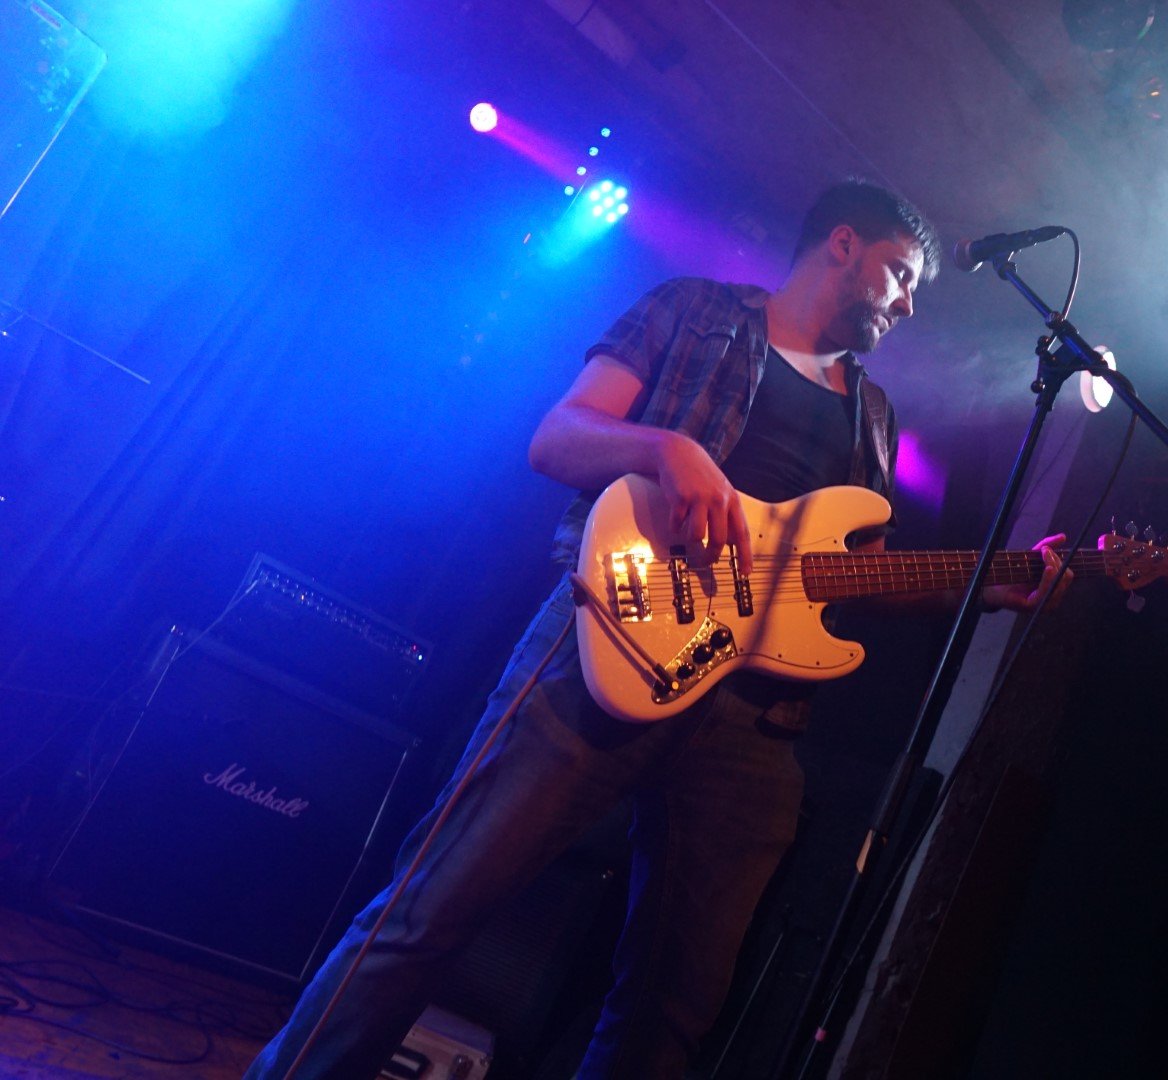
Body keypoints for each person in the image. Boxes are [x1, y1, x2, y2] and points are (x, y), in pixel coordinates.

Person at [245, 179, 1068, 1079]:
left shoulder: (872, 417)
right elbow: (557, 440)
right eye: (901, 274)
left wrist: (988, 585)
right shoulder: (694, 311)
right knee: (430, 912)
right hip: (605, 643)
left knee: (672, 1009)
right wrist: (666, 449)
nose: (908, 304)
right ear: (842, 243)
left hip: (755, 717)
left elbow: (854, 576)